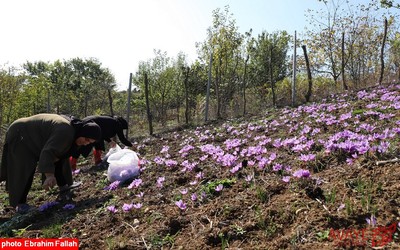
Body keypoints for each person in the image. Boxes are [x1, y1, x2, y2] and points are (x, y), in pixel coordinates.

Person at [0, 113, 101, 213]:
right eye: (86, 139)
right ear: (82, 133)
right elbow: (48, 152)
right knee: (25, 168)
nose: (86, 143)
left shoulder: (75, 133)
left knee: (60, 157)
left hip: (30, 135)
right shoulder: (66, 132)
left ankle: (64, 187)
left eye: (90, 142)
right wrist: (49, 175)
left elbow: (60, 156)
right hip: (21, 134)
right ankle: (20, 204)